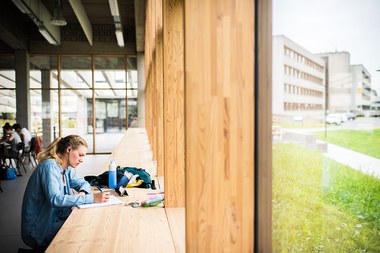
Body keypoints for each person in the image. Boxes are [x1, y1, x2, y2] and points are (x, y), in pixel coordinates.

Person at [21, 135, 111, 251]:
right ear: (69, 150)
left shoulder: (66, 168)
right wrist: (92, 198)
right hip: (39, 229)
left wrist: (83, 192)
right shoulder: (49, 167)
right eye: (80, 155)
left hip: (55, 220)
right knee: (85, 234)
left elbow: (84, 184)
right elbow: (55, 199)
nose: (82, 160)